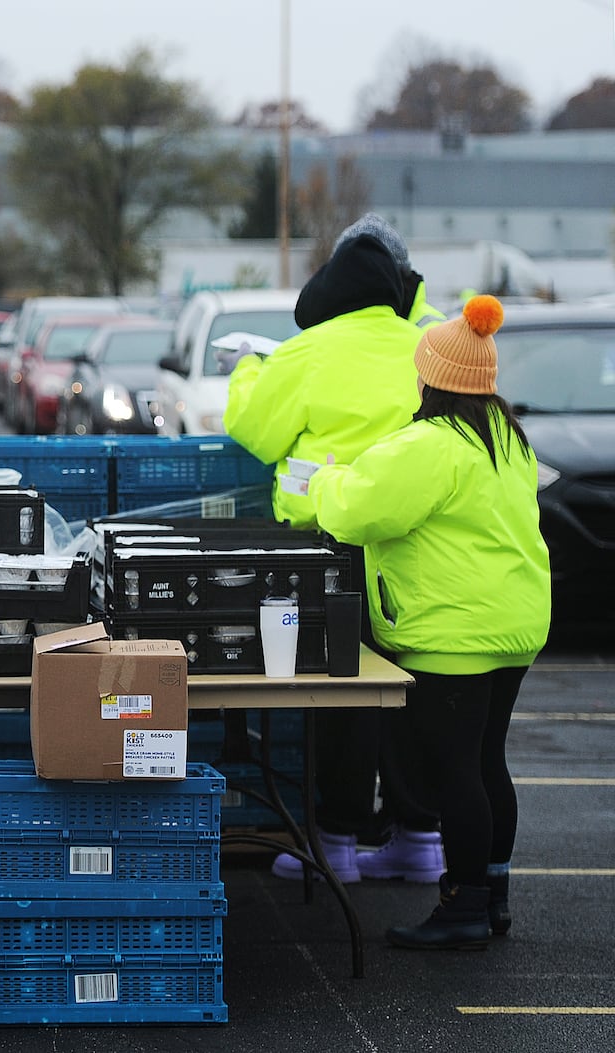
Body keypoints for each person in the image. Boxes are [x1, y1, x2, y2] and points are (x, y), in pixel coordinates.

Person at [304, 295, 550, 948]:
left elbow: (357, 511)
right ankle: (492, 894)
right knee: (488, 761)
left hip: (453, 634)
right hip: (516, 624)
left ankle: (463, 905)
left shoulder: (429, 445)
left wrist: (324, 480)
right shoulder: (506, 438)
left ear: (431, 378)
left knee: (455, 772)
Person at [224, 213, 447, 884]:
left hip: (335, 546)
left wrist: (246, 368)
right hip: (420, 545)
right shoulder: (428, 343)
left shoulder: (308, 352)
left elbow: (253, 430)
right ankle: (421, 836)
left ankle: (340, 842)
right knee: (415, 692)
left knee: (343, 692)